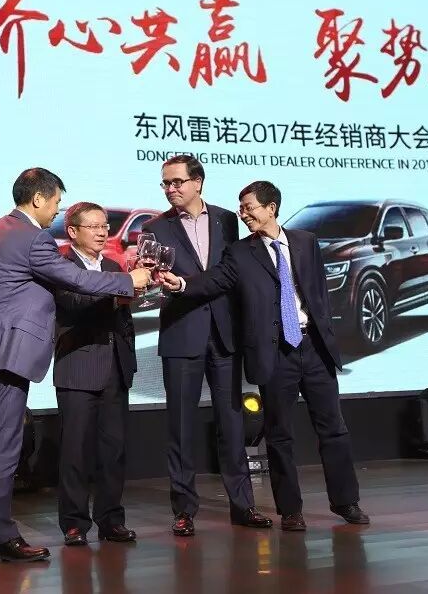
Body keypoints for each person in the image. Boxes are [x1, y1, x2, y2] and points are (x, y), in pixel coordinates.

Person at [0, 168, 152, 563]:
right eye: (56, 203)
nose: (56, 210)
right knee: (4, 447)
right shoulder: (32, 238)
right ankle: (2, 536)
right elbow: (75, 279)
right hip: (6, 352)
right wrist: (130, 281)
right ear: (38, 199)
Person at [159, 180, 370, 530]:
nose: (243, 214)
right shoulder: (241, 253)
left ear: (271, 208)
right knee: (279, 435)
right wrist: (182, 284)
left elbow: (318, 292)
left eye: (249, 207)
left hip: (313, 348)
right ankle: (290, 510)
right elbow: (214, 280)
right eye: (240, 208)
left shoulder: (306, 242)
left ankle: (347, 502)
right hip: (275, 354)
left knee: (333, 429)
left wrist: (327, 334)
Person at [141, 155, 271, 536]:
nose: (170, 189)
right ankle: (184, 510)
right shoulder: (154, 227)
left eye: (177, 182)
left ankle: (243, 506)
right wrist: (154, 280)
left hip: (225, 331)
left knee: (231, 422)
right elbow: (150, 276)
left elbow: (233, 271)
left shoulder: (227, 219)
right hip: (182, 331)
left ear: (197, 182)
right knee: (181, 426)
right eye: (165, 183)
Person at [52, 202, 138, 547]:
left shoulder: (114, 266)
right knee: (75, 451)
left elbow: (124, 318)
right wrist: (122, 290)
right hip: (78, 366)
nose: (103, 232)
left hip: (115, 367)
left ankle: (111, 519)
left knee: (113, 450)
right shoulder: (61, 265)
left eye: (105, 226)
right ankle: (74, 523)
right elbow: (75, 303)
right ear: (73, 231)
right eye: (94, 227)